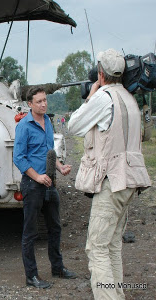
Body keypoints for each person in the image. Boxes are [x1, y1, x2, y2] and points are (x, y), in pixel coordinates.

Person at [68, 48, 151, 299]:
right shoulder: (129, 97)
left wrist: (91, 96)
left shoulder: (103, 98)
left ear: (101, 74)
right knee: (113, 246)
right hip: (130, 180)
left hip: (111, 182)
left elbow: (73, 126)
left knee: (96, 248)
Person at [13, 86, 77, 289]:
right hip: (32, 185)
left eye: (45, 100)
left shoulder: (48, 121)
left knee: (55, 228)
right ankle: (31, 276)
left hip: (50, 183)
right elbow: (19, 158)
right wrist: (38, 177)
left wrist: (60, 167)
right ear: (30, 104)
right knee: (30, 233)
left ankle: (57, 268)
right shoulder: (24, 126)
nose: (43, 104)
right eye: (39, 101)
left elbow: (49, 151)